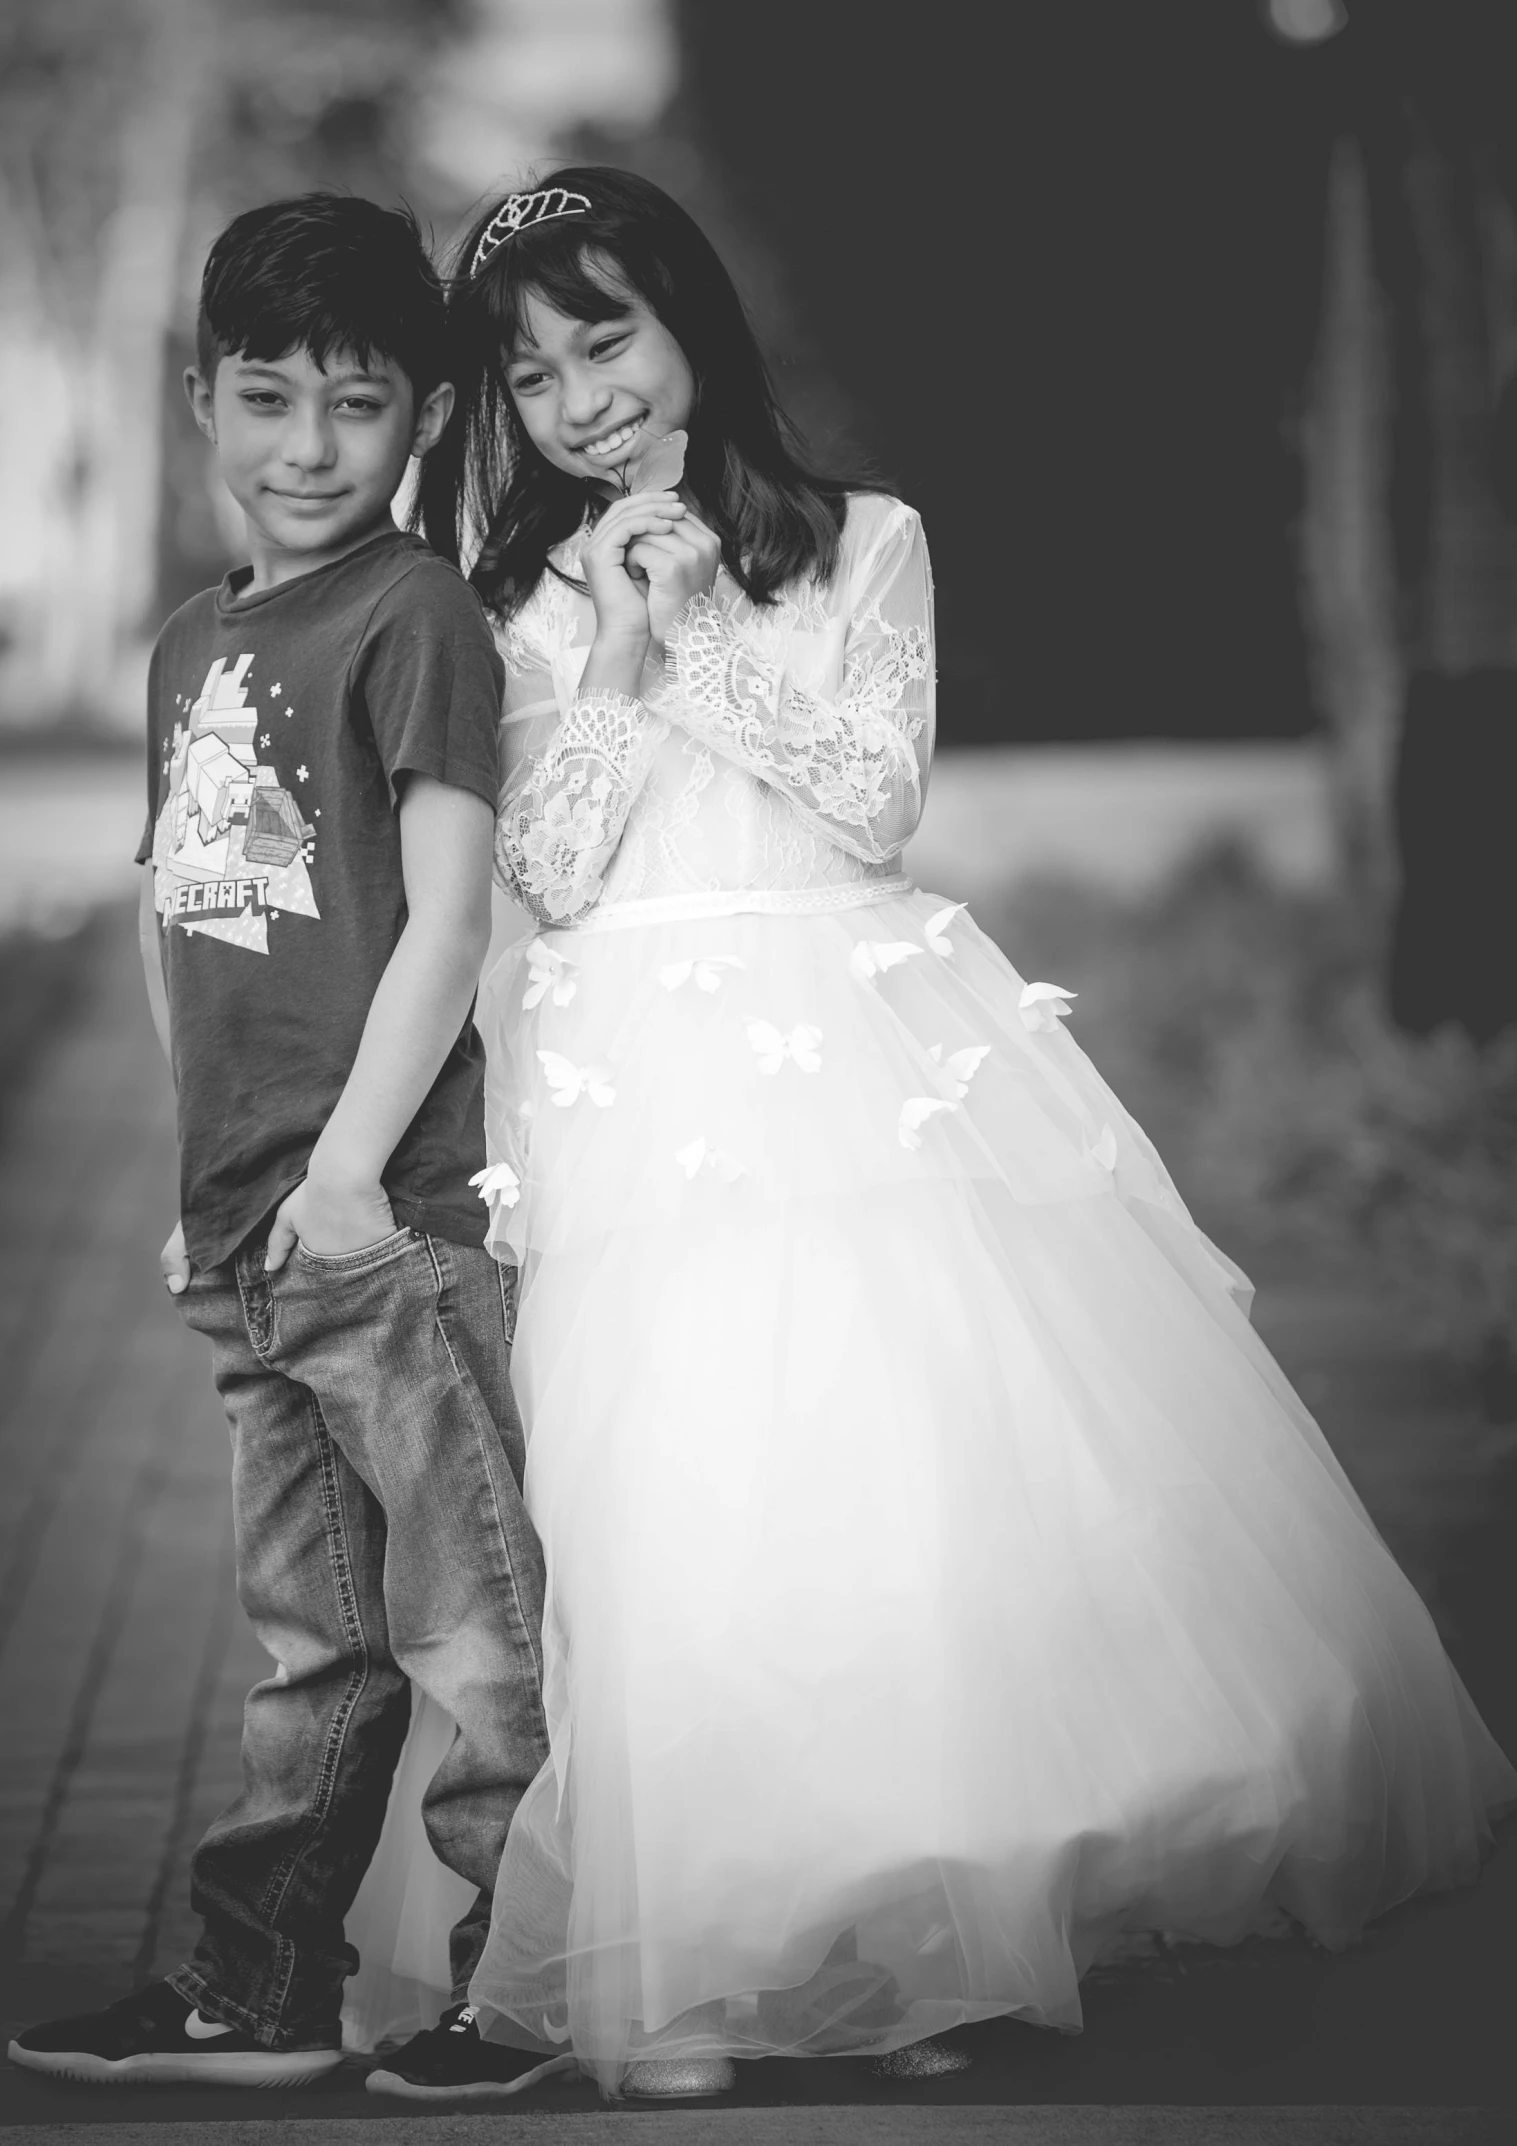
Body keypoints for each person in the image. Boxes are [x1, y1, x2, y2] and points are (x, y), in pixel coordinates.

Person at [347, 167, 1517, 2102]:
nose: (582, 396)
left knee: (901, 1453)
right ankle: (710, 1936)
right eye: (533, 371)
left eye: (610, 337)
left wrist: (706, 613)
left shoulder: (864, 540)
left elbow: (873, 798)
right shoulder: (505, 604)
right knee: (687, 1484)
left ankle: (930, 1921)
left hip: (859, 1033)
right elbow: (544, 865)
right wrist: (618, 647)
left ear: (690, 326)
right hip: (639, 1070)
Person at [7, 194, 567, 2100]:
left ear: (417, 419)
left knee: (471, 1627)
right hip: (251, 1226)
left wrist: (344, 1172)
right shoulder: (188, 644)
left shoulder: (412, 617)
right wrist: (207, 1198)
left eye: (355, 404)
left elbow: (448, 917)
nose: (308, 446)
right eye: (268, 398)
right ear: (202, 402)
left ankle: (538, 1985)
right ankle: (255, 1994)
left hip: (384, 1220)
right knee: (308, 1647)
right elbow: (181, 916)